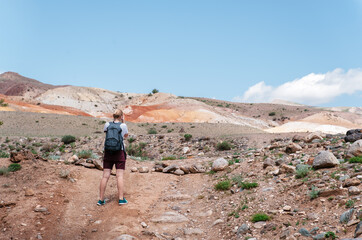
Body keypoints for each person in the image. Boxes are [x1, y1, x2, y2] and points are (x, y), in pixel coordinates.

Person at [97, 109, 129, 206]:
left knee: (105, 176)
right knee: (119, 176)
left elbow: (105, 132)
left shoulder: (107, 124)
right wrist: (123, 122)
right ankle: (121, 199)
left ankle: (101, 199)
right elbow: (126, 136)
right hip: (119, 152)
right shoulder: (123, 125)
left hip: (108, 152)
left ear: (113, 116)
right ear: (121, 116)